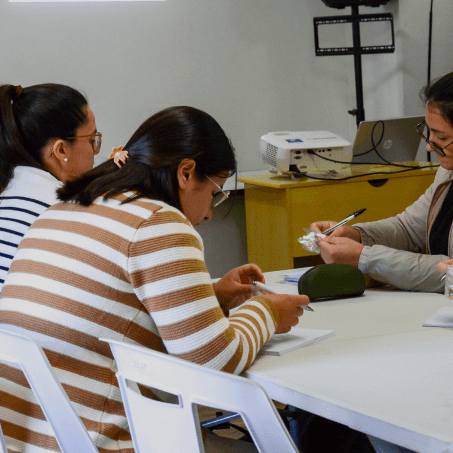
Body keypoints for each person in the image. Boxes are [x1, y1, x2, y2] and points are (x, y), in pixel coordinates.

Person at [0, 106, 309, 452]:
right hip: (101, 441)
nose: (209, 213)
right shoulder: (157, 223)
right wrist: (267, 311)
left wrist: (211, 296)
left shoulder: (64, 208)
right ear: (186, 172)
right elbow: (214, 360)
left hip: (26, 440)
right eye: (214, 193)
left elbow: (110, 304)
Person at [309, 59, 453, 292]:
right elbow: (408, 229)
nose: (429, 146)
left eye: (442, 138)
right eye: (428, 132)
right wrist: (356, 235)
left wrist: (364, 256)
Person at [0, 83, 100, 292]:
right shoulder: (65, 214)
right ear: (61, 149)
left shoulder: (7, 194)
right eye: (92, 140)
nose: (95, 151)